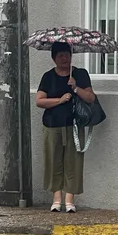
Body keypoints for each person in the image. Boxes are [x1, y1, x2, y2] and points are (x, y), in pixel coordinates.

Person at [35, 41, 96, 213]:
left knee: (73, 162)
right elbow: (39, 101)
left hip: (74, 125)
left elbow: (91, 98)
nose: (64, 58)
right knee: (54, 161)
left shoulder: (80, 74)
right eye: (60, 55)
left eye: (67, 54)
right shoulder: (48, 76)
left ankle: (70, 200)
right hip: (52, 125)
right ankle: (56, 199)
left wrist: (76, 88)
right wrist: (60, 100)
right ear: (54, 58)